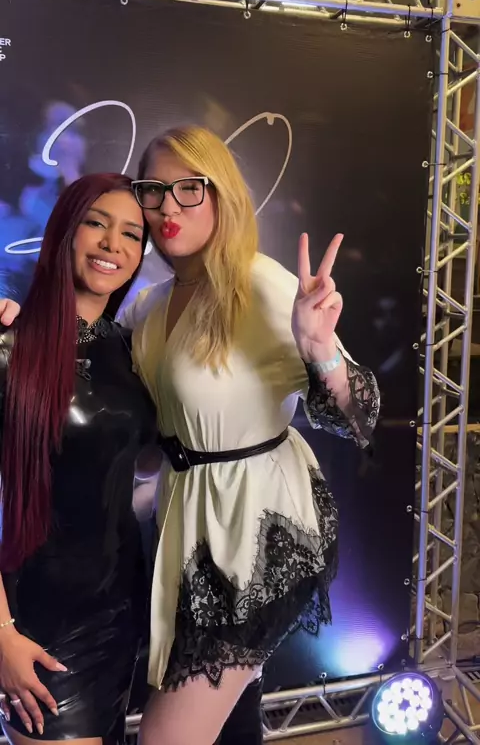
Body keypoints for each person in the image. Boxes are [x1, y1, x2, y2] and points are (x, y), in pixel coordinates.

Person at [0, 127, 380, 745]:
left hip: (255, 537)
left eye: (190, 188)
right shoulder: (144, 310)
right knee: (230, 724)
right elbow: (121, 431)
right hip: (178, 543)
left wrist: (322, 353)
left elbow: (357, 417)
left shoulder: (261, 284)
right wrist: (17, 326)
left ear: (221, 194)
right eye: (156, 190)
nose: (169, 206)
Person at [0, 174, 158, 745]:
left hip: (123, 610)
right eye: (96, 223)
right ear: (65, 232)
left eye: (132, 233)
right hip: (40, 624)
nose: (113, 243)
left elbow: (135, 466)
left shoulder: (130, 349)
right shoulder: (8, 345)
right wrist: (2, 635)